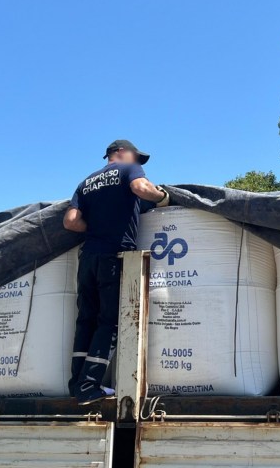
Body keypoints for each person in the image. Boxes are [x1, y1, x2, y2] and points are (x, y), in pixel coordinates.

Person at [63, 139, 169, 404]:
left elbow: (71, 221)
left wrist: (98, 227)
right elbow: (140, 188)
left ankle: (76, 383)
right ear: (120, 153)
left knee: (86, 319)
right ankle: (89, 386)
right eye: (136, 157)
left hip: (88, 257)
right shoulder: (127, 171)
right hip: (114, 255)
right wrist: (162, 197)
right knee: (110, 322)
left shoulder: (85, 182)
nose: (137, 163)